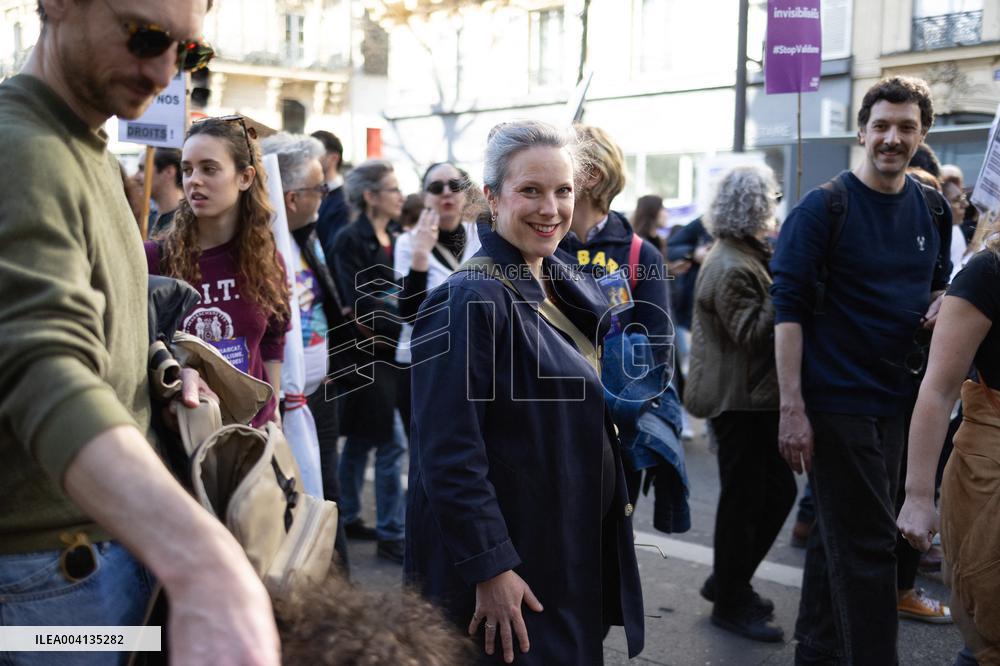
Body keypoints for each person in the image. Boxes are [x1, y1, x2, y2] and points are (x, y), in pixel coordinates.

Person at [0, 0, 279, 663]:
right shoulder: (23, 151)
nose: (163, 69)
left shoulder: (83, 145)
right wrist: (201, 560)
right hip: (52, 580)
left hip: (92, 560)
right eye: (146, 34)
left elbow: (91, 326)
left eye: (186, 52)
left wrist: (161, 365)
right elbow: (42, 362)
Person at [405, 120, 645, 664]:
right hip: (512, 571)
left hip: (560, 552)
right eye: (530, 191)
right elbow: (448, 453)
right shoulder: (466, 300)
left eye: (562, 191)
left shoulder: (558, 281)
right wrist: (490, 566)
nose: (551, 208)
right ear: (491, 197)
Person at [771, 76, 952, 664]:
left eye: (905, 128)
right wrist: (793, 409)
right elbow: (789, 312)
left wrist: (944, 299)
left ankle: (818, 652)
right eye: (881, 126)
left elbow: (939, 285)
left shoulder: (932, 206)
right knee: (873, 544)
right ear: (861, 132)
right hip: (836, 402)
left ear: (922, 134)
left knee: (836, 538)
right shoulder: (823, 208)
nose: (892, 138)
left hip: (900, 399)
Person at [684, 165, 796, 642]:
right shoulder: (730, 263)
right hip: (741, 403)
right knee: (745, 503)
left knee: (768, 496)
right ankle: (730, 598)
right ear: (758, 206)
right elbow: (751, 333)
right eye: (769, 201)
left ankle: (728, 582)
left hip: (752, 400)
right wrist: (786, 285)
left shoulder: (743, 252)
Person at [558, 124, 678, 516]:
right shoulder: (540, 245)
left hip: (614, 424)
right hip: (550, 416)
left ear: (591, 176)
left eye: (564, 162)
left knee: (610, 539)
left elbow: (658, 343)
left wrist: (630, 408)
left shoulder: (641, 254)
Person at [147, 116, 290, 429]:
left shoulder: (267, 261)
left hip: (252, 439)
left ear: (244, 177)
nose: (194, 180)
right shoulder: (155, 259)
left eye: (209, 169)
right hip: (183, 440)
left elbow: (273, 340)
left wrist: (272, 412)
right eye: (187, 170)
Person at [898, 238, 1000, 663]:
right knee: (989, 631)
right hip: (990, 468)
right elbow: (937, 391)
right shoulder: (988, 272)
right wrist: (918, 498)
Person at [260, 131, 351, 573]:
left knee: (328, 498)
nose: (325, 195)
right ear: (291, 196)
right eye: (319, 187)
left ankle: (338, 597)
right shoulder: (260, 247)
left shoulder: (306, 237)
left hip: (320, 395)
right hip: (281, 402)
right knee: (297, 506)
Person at [330, 160, 407, 564]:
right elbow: (358, 305)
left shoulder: (396, 235)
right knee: (391, 442)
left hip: (392, 352)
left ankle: (348, 515)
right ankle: (392, 533)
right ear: (370, 196)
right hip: (363, 356)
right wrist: (405, 322)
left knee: (362, 439)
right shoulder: (350, 238)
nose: (400, 196)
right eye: (393, 189)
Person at [394, 162, 482, 433]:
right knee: (424, 449)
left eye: (454, 186)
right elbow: (408, 313)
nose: (446, 193)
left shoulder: (481, 237)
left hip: (472, 360)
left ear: (465, 194)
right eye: (436, 187)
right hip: (421, 362)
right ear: (425, 196)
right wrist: (421, 254)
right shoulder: (407, 243)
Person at [312, 129, 349, 260]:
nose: (309, 158)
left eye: (315, 153)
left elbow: (335, 251)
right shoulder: (307, 192)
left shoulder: (345, 201)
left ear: (334, 158)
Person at [134, 148, 185, 238]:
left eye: (142, 169)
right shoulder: (147, 219)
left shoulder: (188, 221)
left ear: (169, 172)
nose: (136, 177)